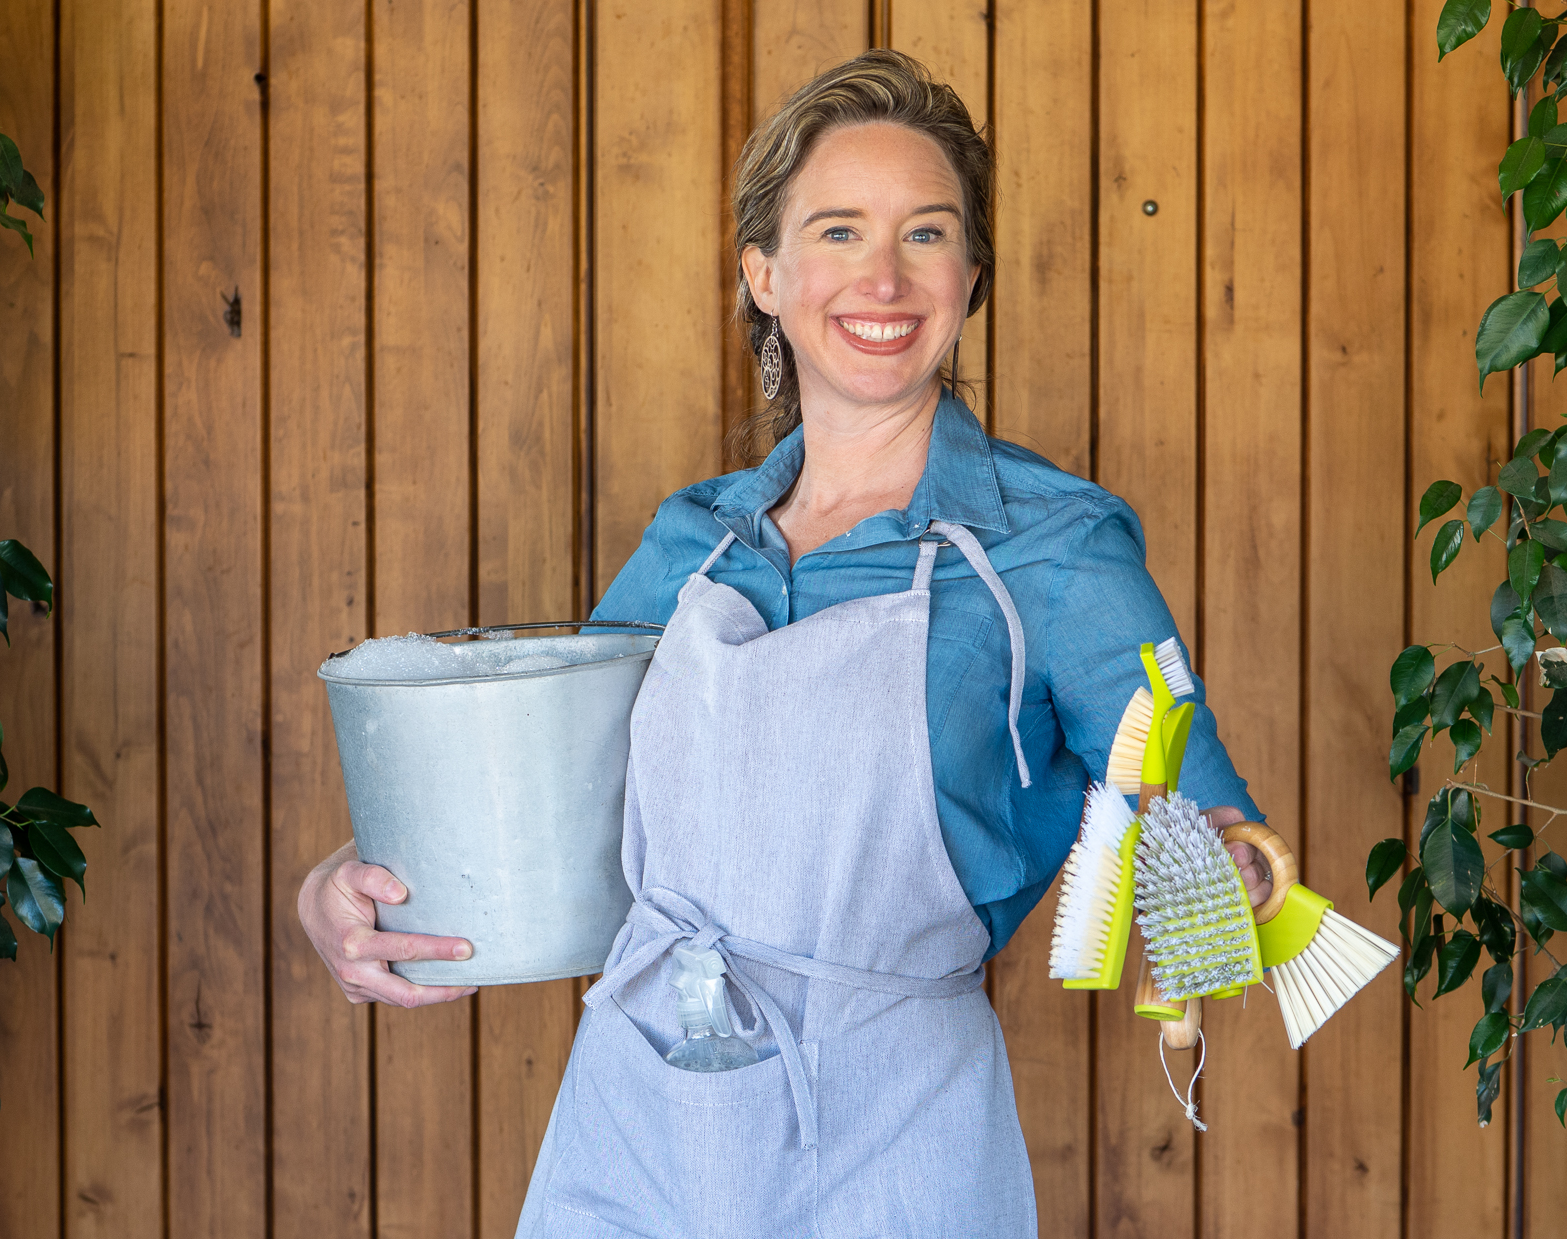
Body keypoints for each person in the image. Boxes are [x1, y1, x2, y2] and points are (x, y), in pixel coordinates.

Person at [297, 49, 1268, 1238]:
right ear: (765, 272)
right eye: (839, 231)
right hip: (635, 1134)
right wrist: (341, 892)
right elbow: (543, 808)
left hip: (895, 1146)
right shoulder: (692, 544)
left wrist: (1231, 878)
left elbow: (1205, 819)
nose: (885, 277)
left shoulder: (1053, 552)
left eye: (926, 234)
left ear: (970, 278)